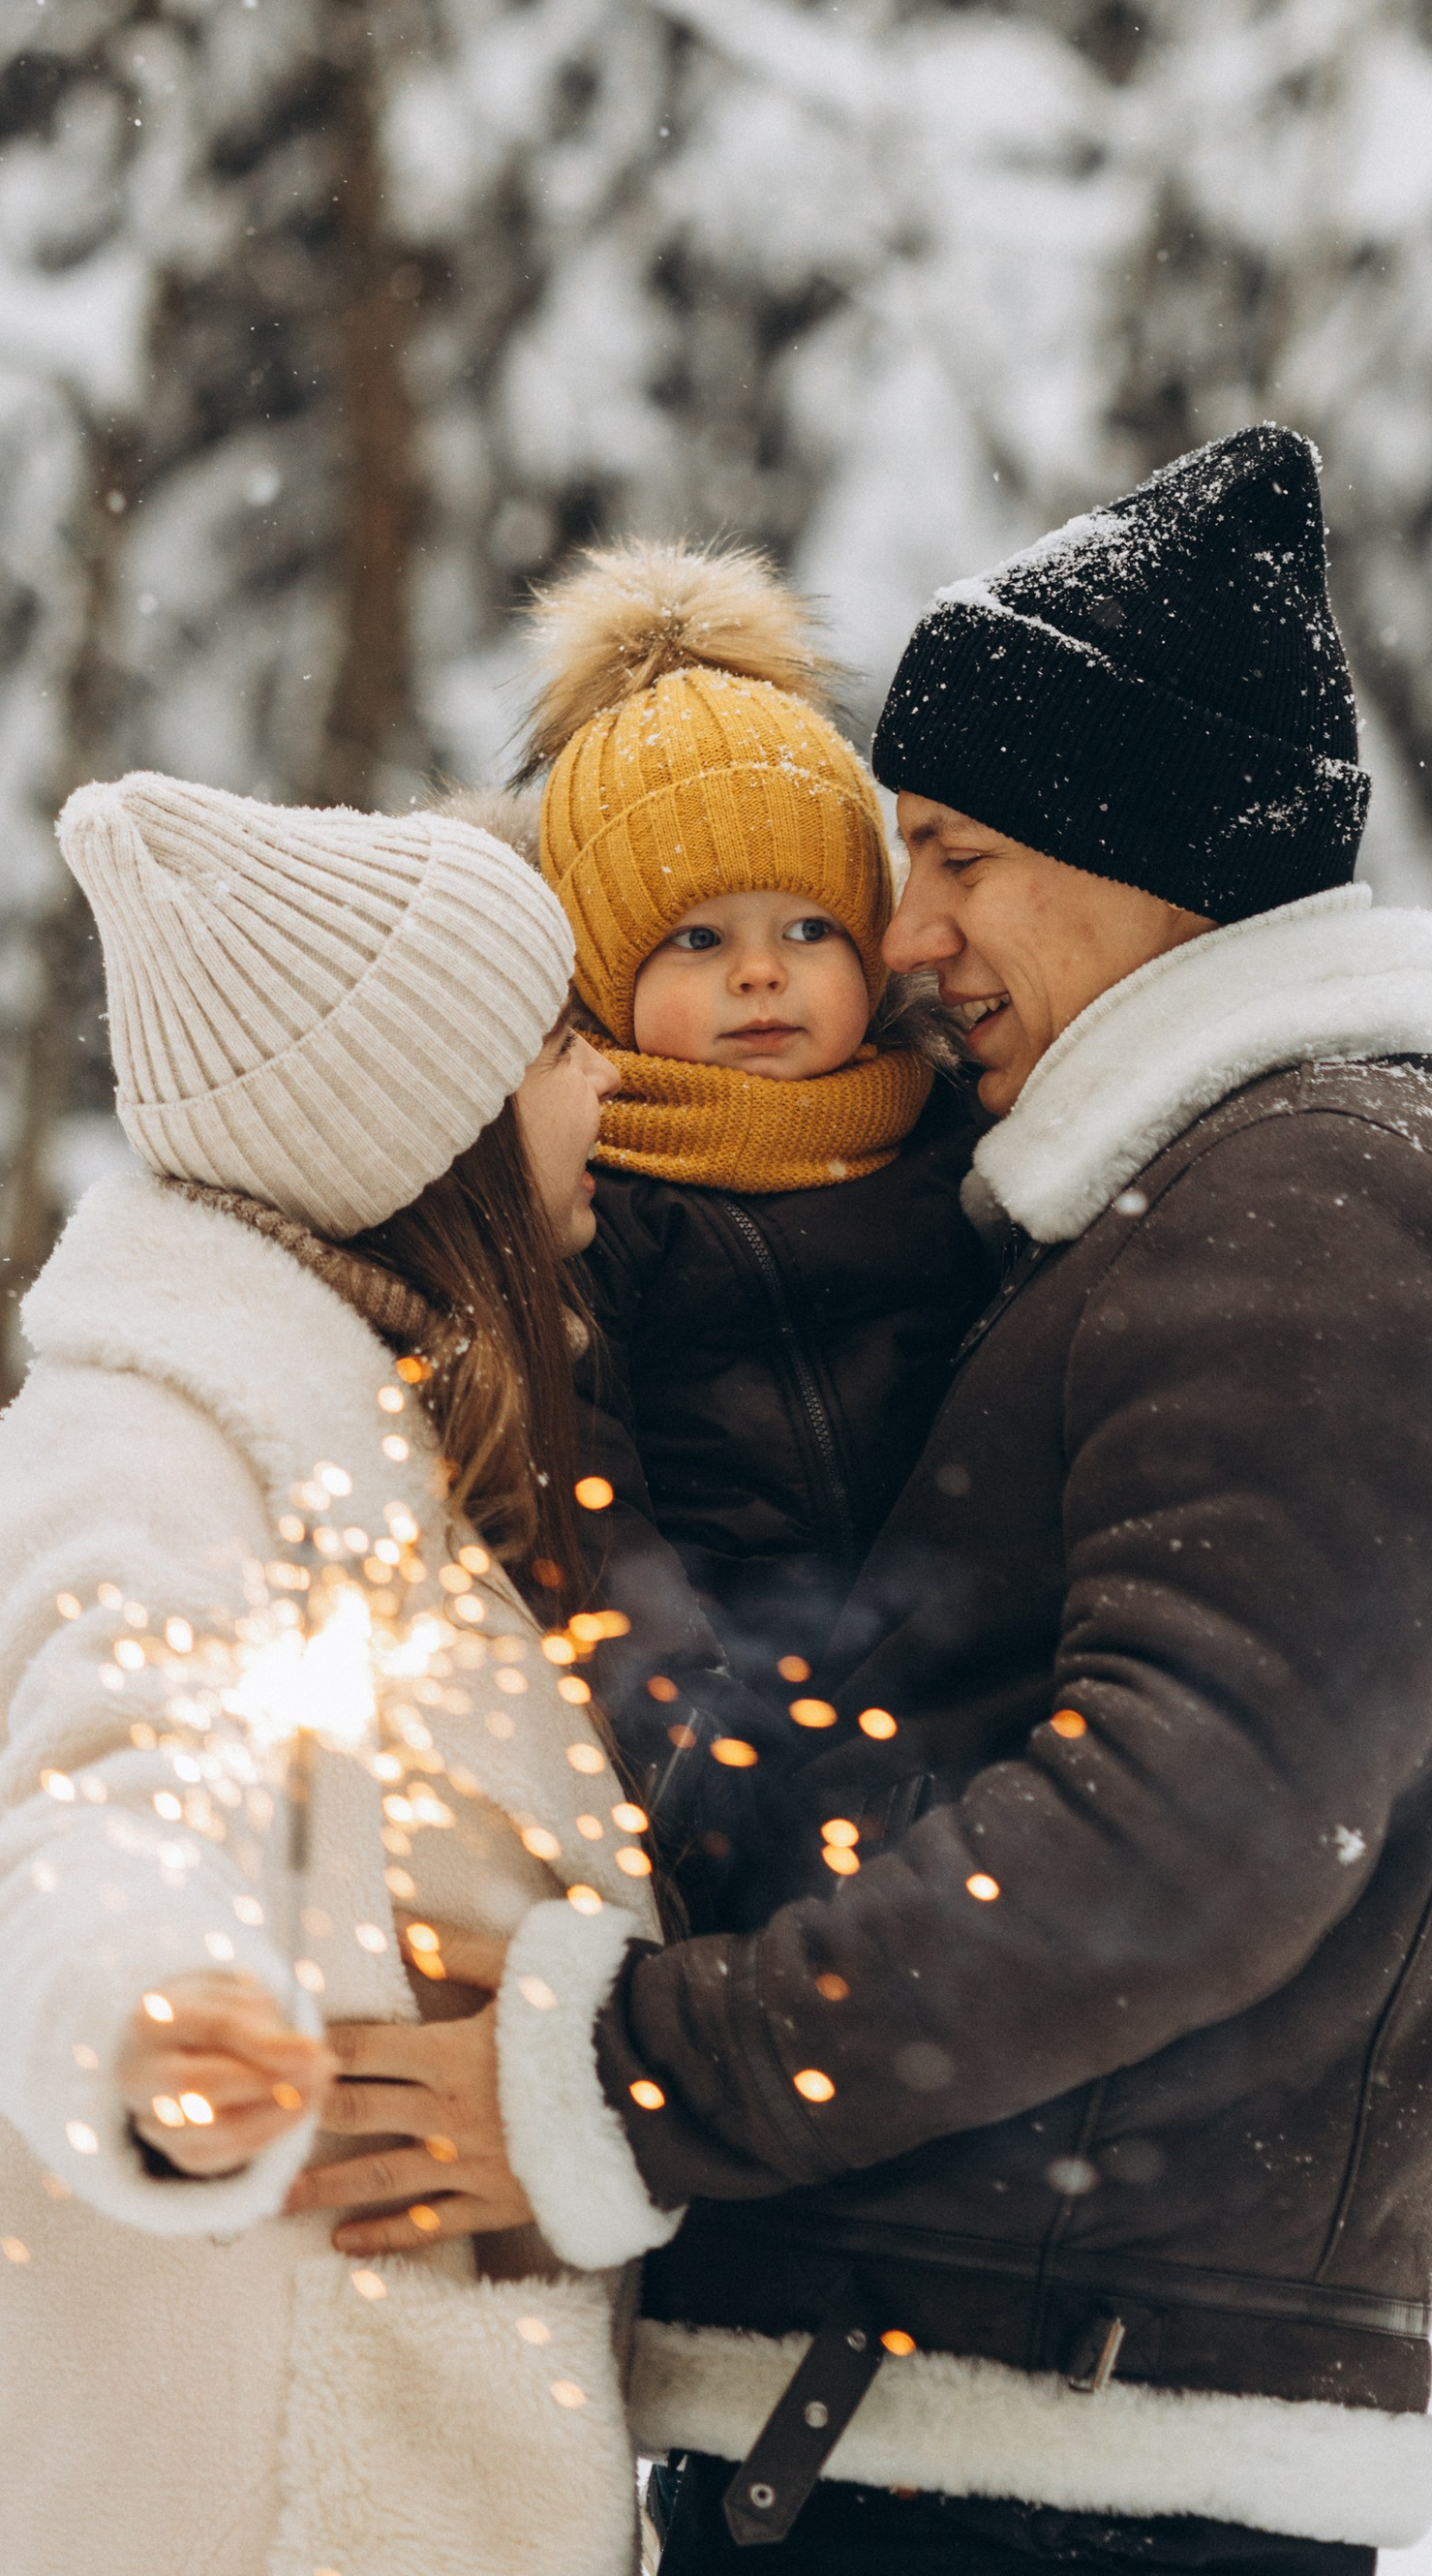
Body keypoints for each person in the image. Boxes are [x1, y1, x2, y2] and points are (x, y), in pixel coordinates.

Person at [390, 422, 1432, 2575]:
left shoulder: (1317, 1206)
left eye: (951, 855)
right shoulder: (1161, 1206)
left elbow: (1178, 1840)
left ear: (1146, 854)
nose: (908, 931)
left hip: (1036, 2467)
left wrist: (634, 2076)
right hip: (961, 2427)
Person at [0, 773, 653, 2576]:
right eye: (556, 1042)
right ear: (429, 1124)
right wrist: (148, 2007)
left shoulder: (363, 1426)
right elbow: (101, 1796)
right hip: (225, 2502)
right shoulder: (144, 1454)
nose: (607, 1075)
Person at [518, 541, 996, 1868]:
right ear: (601, 977)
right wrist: (678, 1719)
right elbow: (581, 1484)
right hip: (718, 1735)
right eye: (698, 939)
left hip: (941, 1713)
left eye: (807, 930)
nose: (760, 977)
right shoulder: (601, 1199)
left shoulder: (945, 1143)